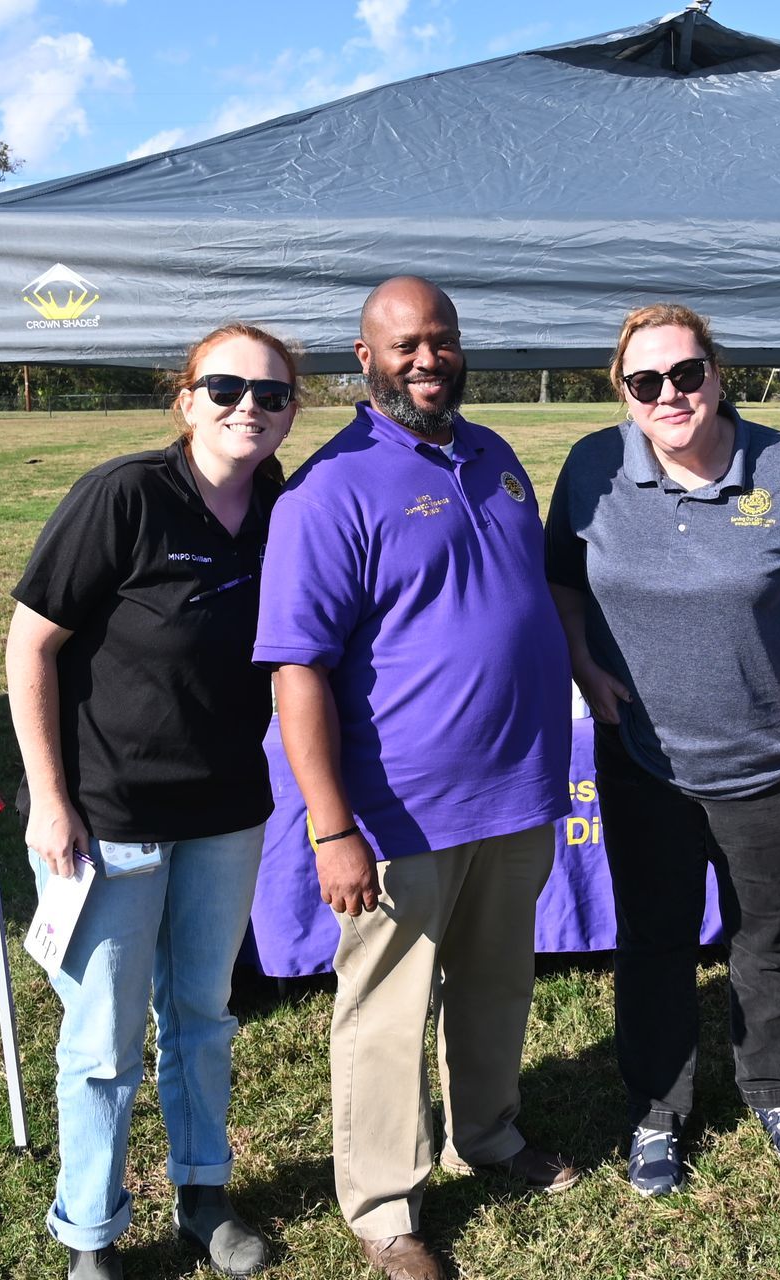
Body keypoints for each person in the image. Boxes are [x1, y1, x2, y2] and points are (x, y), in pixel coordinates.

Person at [254, 277, 577, 1280]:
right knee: (388, 1013)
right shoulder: (330, 488)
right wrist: (331, 826)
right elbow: (296, 670)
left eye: (441, 339)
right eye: (405, 345)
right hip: (399, 809)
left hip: (516, 789)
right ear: (366, 358)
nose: (428, 359)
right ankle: (386, 1208)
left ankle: (488, 1132)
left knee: (497, 982)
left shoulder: (495, 454)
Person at [544, 302, 780, 1196]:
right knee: (653, 941)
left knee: (766, 939)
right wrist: (583, 662)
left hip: (772, 764)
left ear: (717, 373)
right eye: (645, 381)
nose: (669, 394)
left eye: (686, 373)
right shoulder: (591, 468)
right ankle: (657, 1111)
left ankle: (775, 1090)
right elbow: (560, 582)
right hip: (643, 763)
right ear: (623, 391)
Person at [6, 323, 298, 1280]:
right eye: (225, 388)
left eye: (271, 394)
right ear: (185, 399)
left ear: (291, 411)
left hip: (227, 812)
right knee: (103, 1041)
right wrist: (50, 800)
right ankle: (90, 1236)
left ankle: (203, 1197)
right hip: (108, 816)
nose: (248, 407)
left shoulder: (284, 507)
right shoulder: (124, 495)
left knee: (203, 1014)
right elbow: (29, 645)